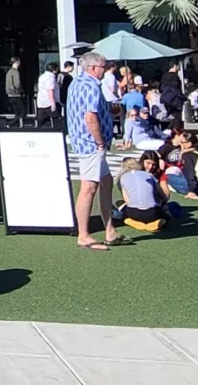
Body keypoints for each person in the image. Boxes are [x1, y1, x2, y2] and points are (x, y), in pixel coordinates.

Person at [65, 51, 127, 250]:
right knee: (89, 187)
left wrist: (107, 110)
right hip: (90, 144)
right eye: (103, 66)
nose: (106, 70)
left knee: (106, 181)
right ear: (93, 68)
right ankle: (83, 235)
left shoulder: (76, 82)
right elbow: (90, 117)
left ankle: (110, 230)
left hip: (83, 140)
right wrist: (100, 142)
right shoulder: (91, 86)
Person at [115, 152, 169, 231]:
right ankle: (158, 221)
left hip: (133, 213)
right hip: (152, 212)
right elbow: (162, 195)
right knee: (166, 215)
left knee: (121, 206)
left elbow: (127, 201)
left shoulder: (122, 178)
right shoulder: (149, 175)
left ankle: (132, 221)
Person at [35, 63, 58, 127]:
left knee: (41, 119)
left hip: (41, 101)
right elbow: (50, 90)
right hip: (48, 101)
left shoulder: (42, 76)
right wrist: (53, 103)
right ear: (54, 70)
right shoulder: (50, 77)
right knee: (56, 119)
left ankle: (39, 129)